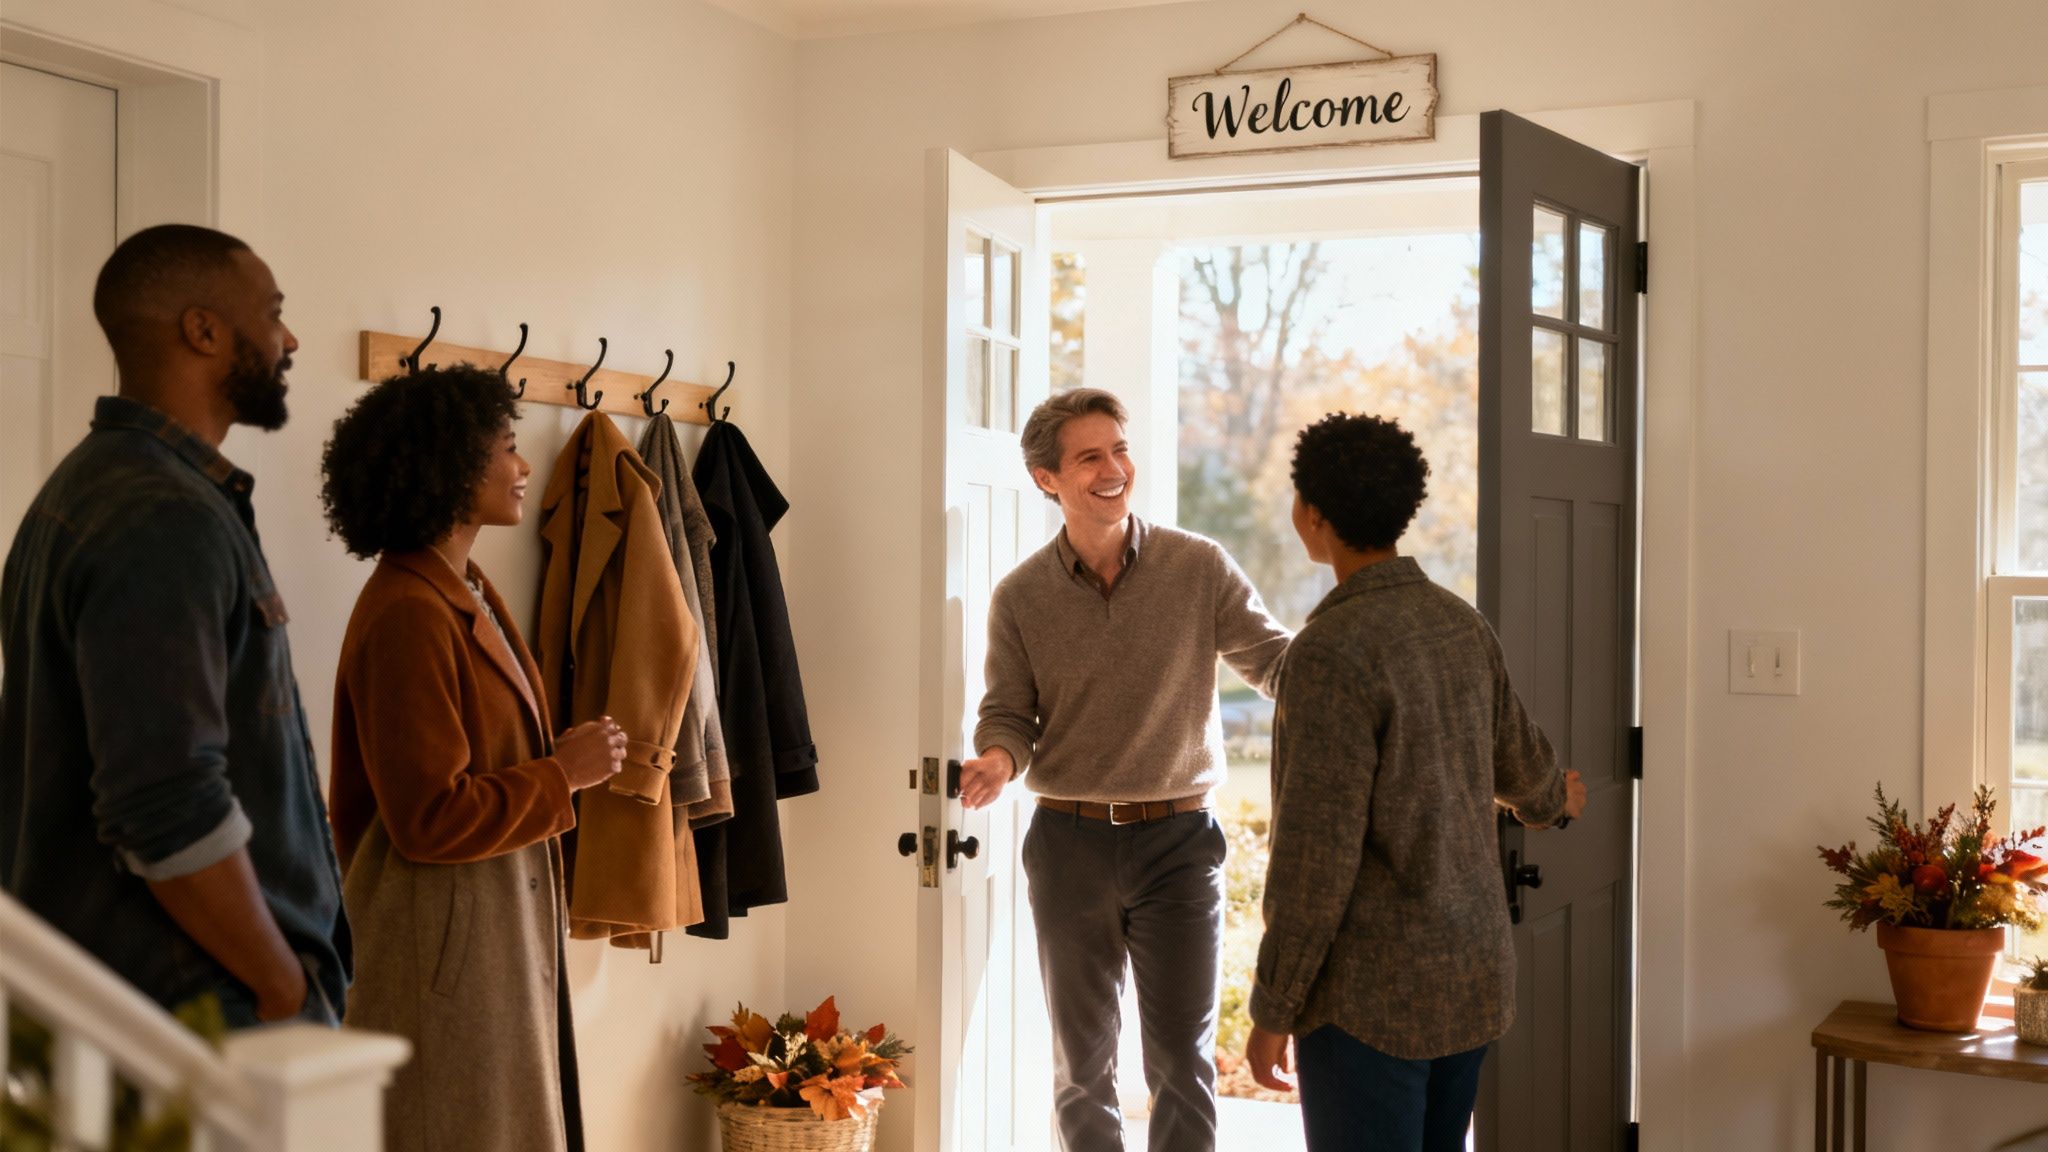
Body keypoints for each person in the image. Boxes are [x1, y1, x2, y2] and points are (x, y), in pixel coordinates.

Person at [0, 224, 346, 1027]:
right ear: (203, 329)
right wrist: (281, 988)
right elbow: (165, 800)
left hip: (128, 1000)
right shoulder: (161, 517)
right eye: (273, 312)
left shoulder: (85, 492)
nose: (289, 338)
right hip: (192, 1013)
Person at [1241, 413, 1586, 1152]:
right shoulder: (1460, 623)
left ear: (1313, 515)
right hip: (1471, 976)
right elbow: (1523, 766)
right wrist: (1557, 798)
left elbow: (1314, 860)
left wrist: (1273, 1007)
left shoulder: (1329, 653)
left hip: (1370, 1003)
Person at [960, 388, 1291, 1152]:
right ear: (1048, 480)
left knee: (1181, 1059)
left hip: (1178, 843)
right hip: (1068, 846)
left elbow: (1276, 662)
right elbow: (1010, 710)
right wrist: (1000, 759)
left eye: (1119, 449)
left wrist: (1360, 662)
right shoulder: (1021, 597)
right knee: (1082, 1063)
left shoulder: (1197, 566)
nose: (1114, 469)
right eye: (1089, 457)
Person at [320, 365, 627, 1152]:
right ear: (448, 466)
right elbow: (426, 819)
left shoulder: (461, 587)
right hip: (440, 953)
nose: (523, 467)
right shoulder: (410, 614)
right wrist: (564, 774)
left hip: (482, 935)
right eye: (507, 448)